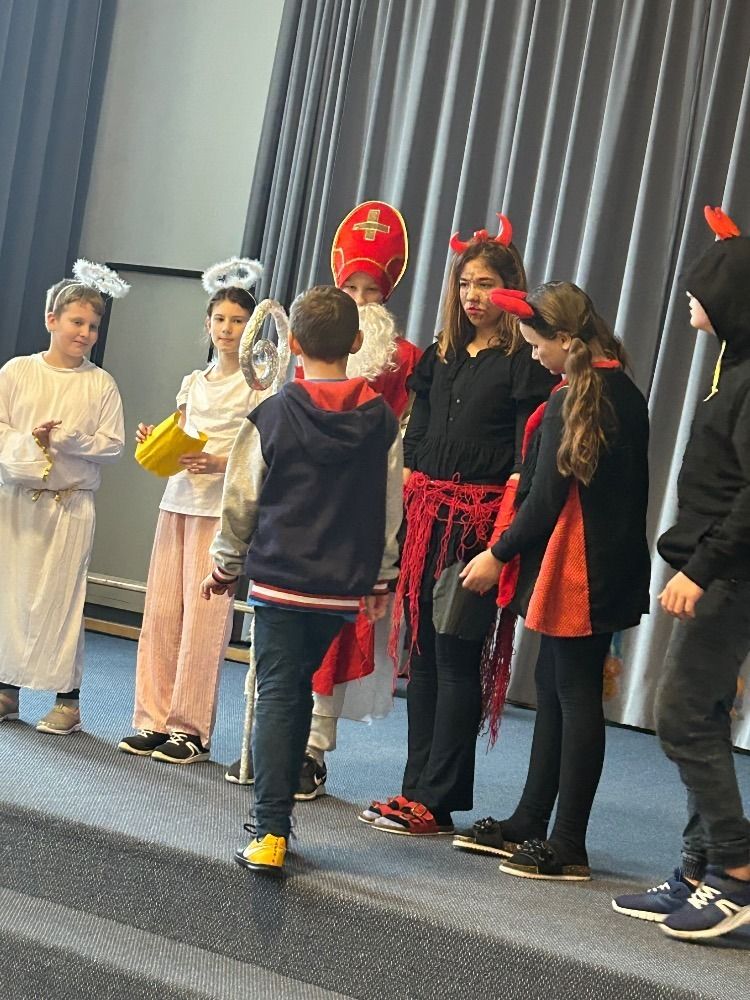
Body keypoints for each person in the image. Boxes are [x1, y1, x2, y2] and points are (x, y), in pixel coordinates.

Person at [362, 215, 556, 837]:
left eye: (486, 284)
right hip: (426, 517)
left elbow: (527, 456)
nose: (473, 295)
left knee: (454, 655)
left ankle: (439, 798)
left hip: (477, 526)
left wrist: (501, 540)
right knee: (420, 655)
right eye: (465, 283)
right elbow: (417, 435)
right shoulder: (442, 354)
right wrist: (408, 495)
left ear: (509, 289)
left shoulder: (522, 363)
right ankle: (414, 788)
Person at [202, 285, 403, 874]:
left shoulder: (272, 413)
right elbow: (388, 508)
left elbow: (241, 500)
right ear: (357, 342)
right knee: (298, 693)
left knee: (279, 696)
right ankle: (276, 824)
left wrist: (225, 564)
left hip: (280, 580)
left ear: (292, 344)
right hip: (340, 587)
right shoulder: (381, 419)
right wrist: (381, 580)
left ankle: (270, 831)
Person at [224, 200, 422, 797]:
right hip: (298, 529)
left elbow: (396, 458)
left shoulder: (405, 361)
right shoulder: (296, 378)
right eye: (351, 287)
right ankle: (270, 755)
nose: (361, 296)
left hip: (345, 530)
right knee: (281, 663)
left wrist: (228, 557)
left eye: (372, 289)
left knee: (319, 656)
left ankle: (308, 753)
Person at [457, 281, 650, 881]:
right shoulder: (618, 388)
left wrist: (497, 553)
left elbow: (544, 498)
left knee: (575, 695)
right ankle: (531, 819)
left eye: (538, 344)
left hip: (583, 567)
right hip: (599, 563)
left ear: (566, 339)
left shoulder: (578, 400)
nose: (535, 354)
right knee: (555, 685)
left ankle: (568, 843)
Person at [613, 206, 750, 940]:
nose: (690, 301)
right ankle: (699, 868)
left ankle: (737, 869)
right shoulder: (733, 366)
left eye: (701, 291)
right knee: (702, 714)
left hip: (730, 575)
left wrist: (701, 568)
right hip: (716, 570)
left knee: (681, 716)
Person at [118, 258, 268, 764]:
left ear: (251, 328)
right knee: (162, 613)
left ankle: (190, 730)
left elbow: (261, 451)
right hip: (176, 502)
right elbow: (179, 432)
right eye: (220, 319)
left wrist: (219, 463)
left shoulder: (256, 385)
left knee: (204, 620)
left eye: (238, 321)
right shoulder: (193, 381)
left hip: (219, 512)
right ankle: (152, 718)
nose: (227, 329)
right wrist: (154, 438)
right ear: (207, 324)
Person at [0, 262, 127, 733]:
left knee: (63, 599)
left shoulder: (100, 383)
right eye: (77, 322)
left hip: (70, 504)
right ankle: (6, 690)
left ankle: (67, 701)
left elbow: (113, 446)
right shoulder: (18, 371)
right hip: (18, 502)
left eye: (93, 326)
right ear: (51, 319)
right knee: (12, 595)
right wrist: (30, 442)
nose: (85, 333)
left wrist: (70, 440)